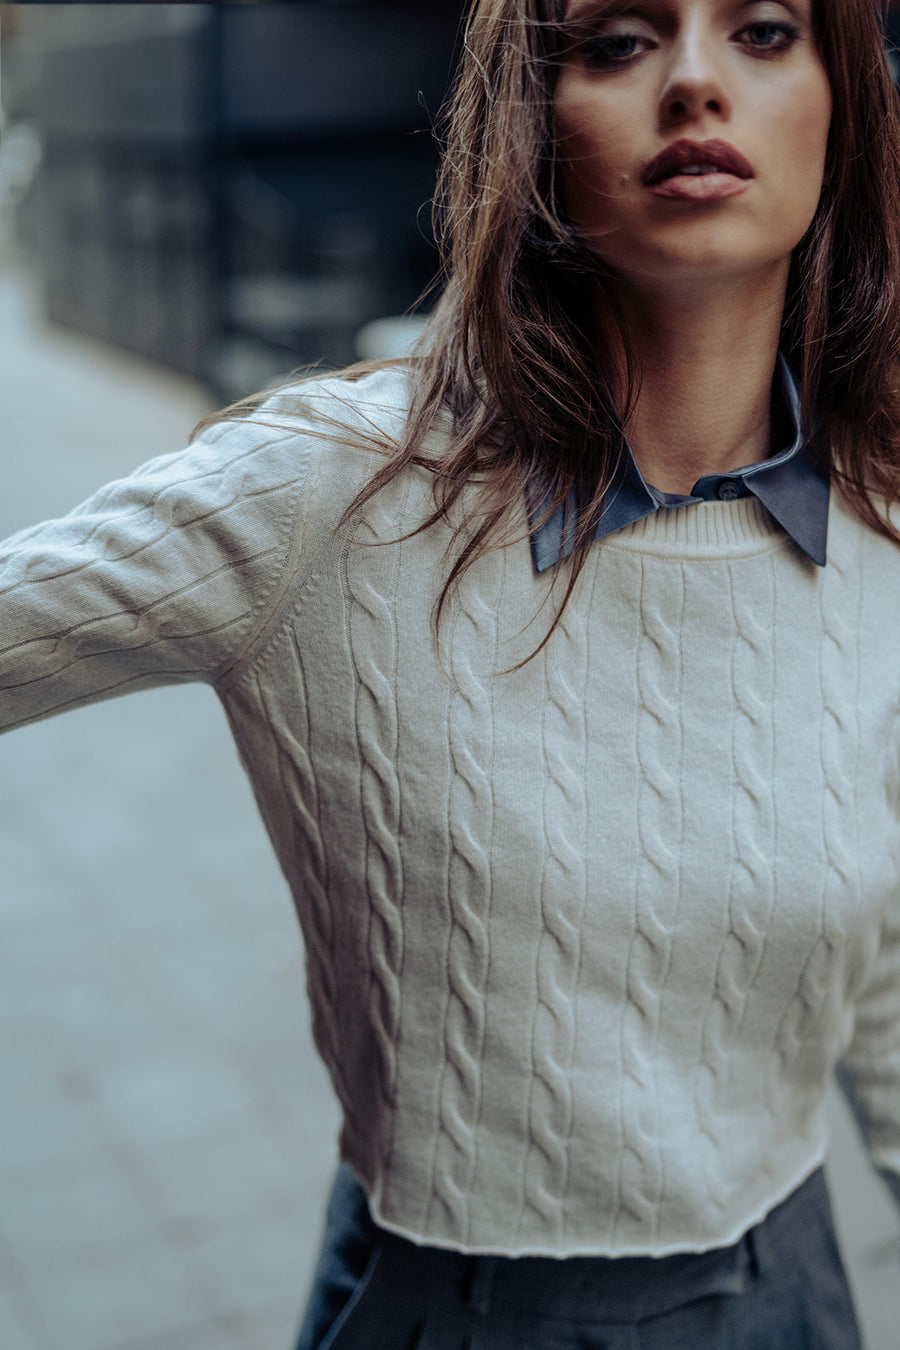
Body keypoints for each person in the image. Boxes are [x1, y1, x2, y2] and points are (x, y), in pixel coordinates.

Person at [2, 0, 900, 1345]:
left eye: (765, 31)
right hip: (460, 1301)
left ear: (845, 102)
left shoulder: (885, 514)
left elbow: (877, 938)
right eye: (616, 41)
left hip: (796, 1290)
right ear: (533, 122)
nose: (697, 83)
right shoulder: (332, 490)